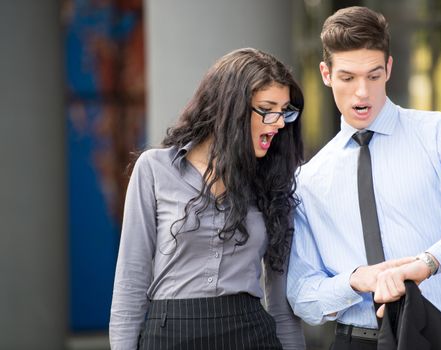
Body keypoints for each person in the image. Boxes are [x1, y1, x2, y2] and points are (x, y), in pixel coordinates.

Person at [286, 6, 441, 350]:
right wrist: (355, 281)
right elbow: (303, 296)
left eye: (373, 75)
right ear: (326, 74)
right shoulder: (308, 179)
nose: (362, 93)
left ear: (389, 69)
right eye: (348, 77)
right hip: (356, 342)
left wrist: (427, 263)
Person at [110, 48, 306, 350]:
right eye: (268, 109)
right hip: (169, 337)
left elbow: (281, 302)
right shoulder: (154, 169)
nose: (279, 122)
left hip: (251, 335)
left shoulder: (274, 182)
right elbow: (131, 283)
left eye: (285, 111)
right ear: (231, 108)